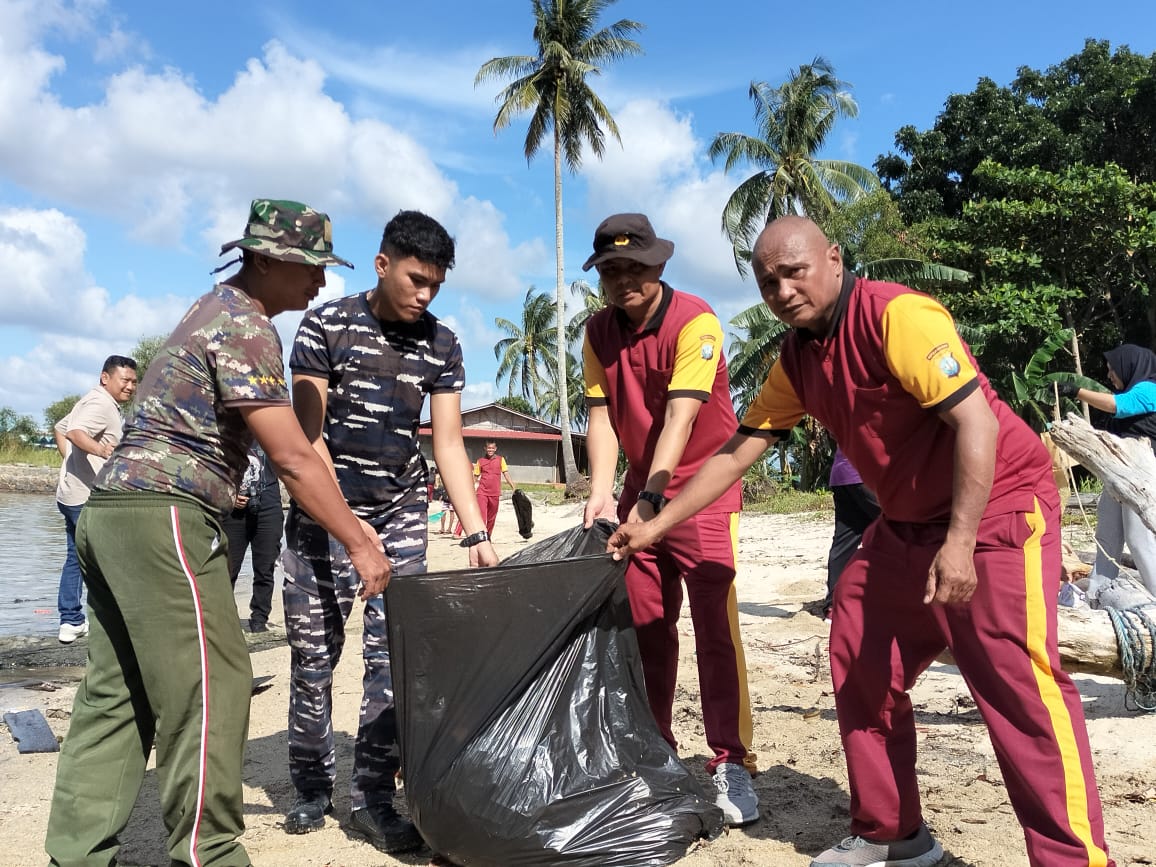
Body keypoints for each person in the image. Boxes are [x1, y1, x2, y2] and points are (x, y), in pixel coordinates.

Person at [607, 216, 1113, 867]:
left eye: (794, 272)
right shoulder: (797, 358)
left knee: (1016, 685)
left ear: (835, 259)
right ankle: (893, 831)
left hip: (996, 508)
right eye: (768, 282)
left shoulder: (898, 317)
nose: (783, 291)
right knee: (857, 643)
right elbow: (736, 452)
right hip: (904, 523)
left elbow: (977, 424)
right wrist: (653, 521)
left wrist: (960, 543)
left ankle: (1076, 858)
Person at [44, 198, 390, 867]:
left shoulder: (207, 309)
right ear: (264, 260)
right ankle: (210, 853)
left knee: (117, 691)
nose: (320, 281)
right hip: (165, 516)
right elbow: (291, 456)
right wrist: (359, 540)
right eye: (309, 266)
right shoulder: (246, 325)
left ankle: (77, 853)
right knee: (215, 683)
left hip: (111, 512)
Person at [280, 209, 499, 854]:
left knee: (394, 659)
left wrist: (476, 533)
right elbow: (308, 438)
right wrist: (348, 529)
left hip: (401, 509)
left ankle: (373, 798)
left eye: (436, 285)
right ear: (382, 265)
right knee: (313, 656)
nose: (425, 295)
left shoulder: (443, 344)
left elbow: (449, 443)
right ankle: (311, 787)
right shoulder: (325, 325)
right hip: (322, 510)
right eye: (415, 280)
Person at [580, 212, 759, 826]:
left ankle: (731, 759)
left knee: (715, 626)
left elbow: (681, 417)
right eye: (611, 270)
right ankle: (655, 749)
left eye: (636, 267)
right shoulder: (596, 333)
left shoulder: (696, 321)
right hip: (639, 492)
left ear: (659, 265)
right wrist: (602, 492)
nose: (623, 280)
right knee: (647, 627)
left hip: (703, 490)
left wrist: (652, 502)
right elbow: (601, 417)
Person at [53, 355, 138, 643]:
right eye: (125, 380)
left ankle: (72, 620)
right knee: (109, 557)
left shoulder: (93, 400)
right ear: (105, 378)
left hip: (71, 494)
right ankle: (106, 623)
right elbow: (74, 433)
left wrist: (71, 464)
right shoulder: (100, 404)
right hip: (86, 498)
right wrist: (101, 452)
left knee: (76, 557)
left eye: (134, 381)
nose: (130, 386)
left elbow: (61, 428)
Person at [1059, 344, 1156, 597]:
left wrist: (1077, 391)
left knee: (1139, 539)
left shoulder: (1149, 389)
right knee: (1107, 536)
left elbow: (1118, 405)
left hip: (1140, 477)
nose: (1109, 375)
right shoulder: (1134, 390)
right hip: (1118, 474)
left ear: (1129, 366)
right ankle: (1097, 592)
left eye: (1113, 369)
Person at [220, 443, 282, 632]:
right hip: (233, 510)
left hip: (268, 503)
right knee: (226, 569)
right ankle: (226, 621)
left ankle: (259, 620)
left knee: (266, 568)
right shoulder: (223, 431)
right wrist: (229, 493)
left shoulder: (272, 430)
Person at [822, 446, 880, 622]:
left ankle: (834, 606)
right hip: (865, 474)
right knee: (904, 525)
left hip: (842, 474)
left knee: (845, 540)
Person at [472, 438, 516, 535]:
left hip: (495, 493)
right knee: (482, 516)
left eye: (492, 448)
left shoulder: (501, 460)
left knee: (491, 518)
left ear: (495, 449)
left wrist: (513, 486)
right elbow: (475, 476)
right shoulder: (480, 461)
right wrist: (470, 488)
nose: (490, 450)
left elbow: (506, 474)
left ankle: (488, 535)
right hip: (482, 492)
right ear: (485, 448)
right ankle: (482, 535)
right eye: (488, 448)